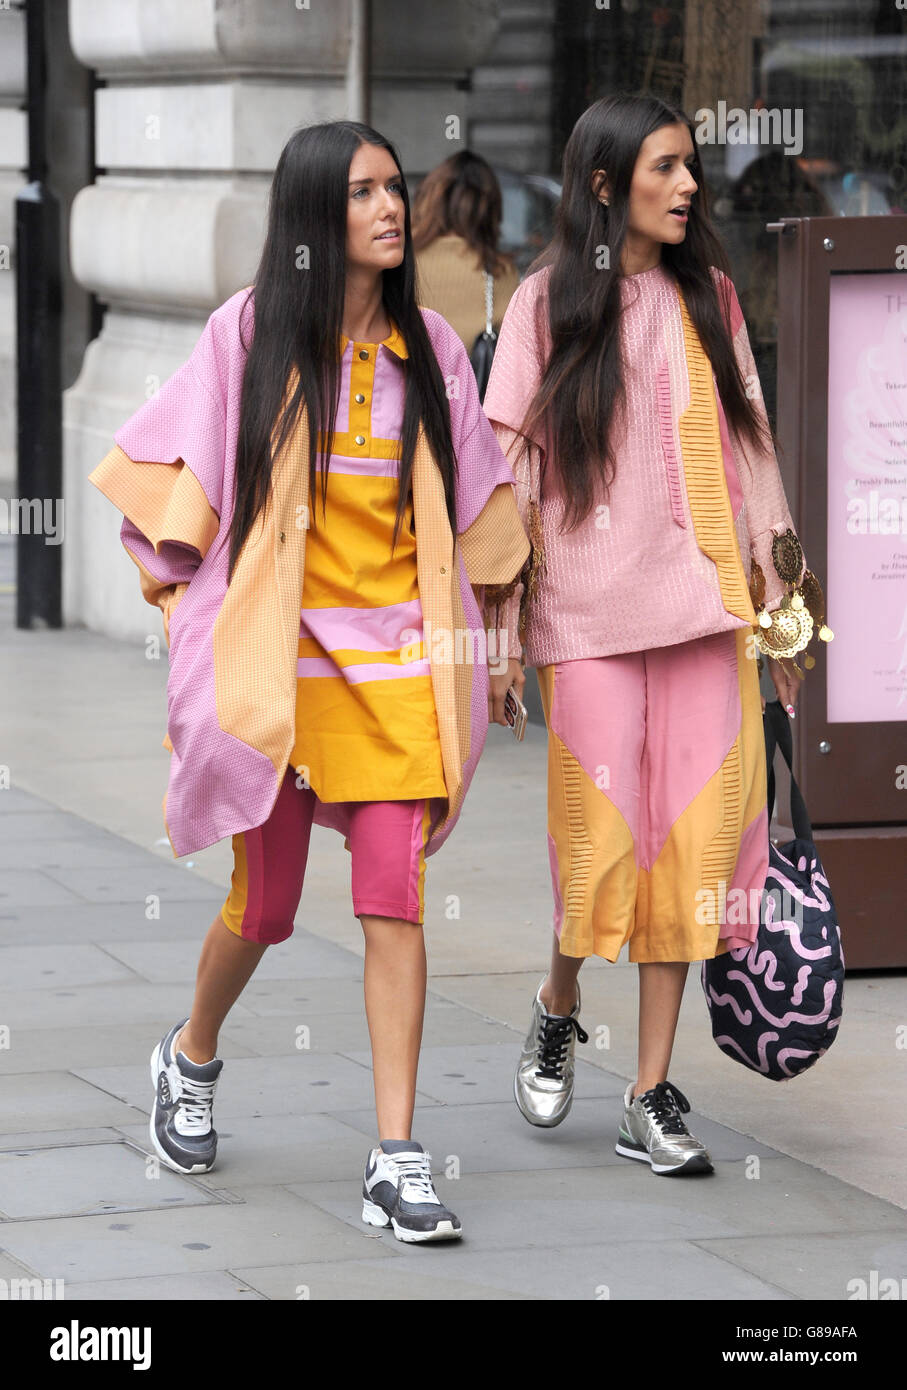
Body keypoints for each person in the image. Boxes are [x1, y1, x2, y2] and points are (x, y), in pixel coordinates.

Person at [88, 119, 529, 1240]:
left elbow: (482, 510)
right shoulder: (250, 332)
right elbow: (173, 490)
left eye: (395, 189)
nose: (392, 209)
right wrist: (191, 613)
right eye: (365, 193)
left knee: (394, 898)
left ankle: (395, 1154)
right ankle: (189, 1056)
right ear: (313, 217)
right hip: (281, 674)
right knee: (270, 906)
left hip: (396, 671)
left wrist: (504, 629)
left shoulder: (429, 343)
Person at [481, 92, 822, 1175]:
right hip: (584, 615)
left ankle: (648, 1090)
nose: (687, 186)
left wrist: (781, 619)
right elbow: (510, 484)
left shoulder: (708, 296)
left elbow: (751, 456)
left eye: (690, 168)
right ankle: (558, 995)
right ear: (601, 184)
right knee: (599, 848)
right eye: (663, 167)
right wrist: (499, 637)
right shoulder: (541, 307)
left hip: (704, 609)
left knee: (694, 851)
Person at [412, 150, 520, 355]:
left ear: (428, 198)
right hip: (469, 386)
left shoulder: (398, 260)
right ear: (490, 211)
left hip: (409, 383)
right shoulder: (499, 270)